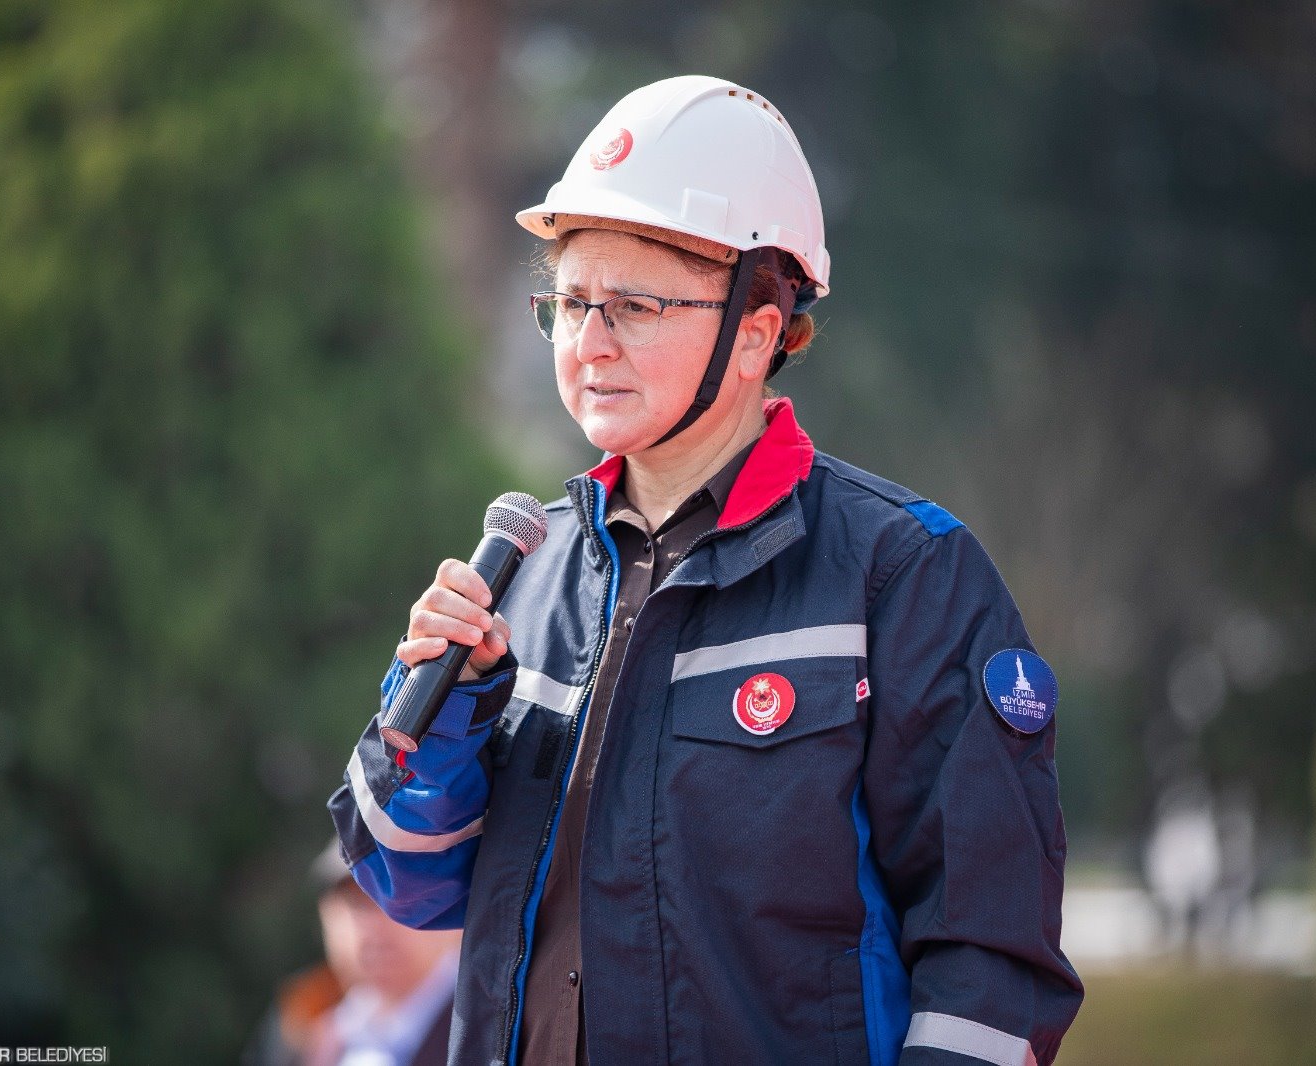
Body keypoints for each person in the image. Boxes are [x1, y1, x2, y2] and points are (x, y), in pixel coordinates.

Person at [330, 75, 1083, 1065]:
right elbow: (406, 883)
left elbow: (990, 968)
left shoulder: (903, 577)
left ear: (756, 333)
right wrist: (451, 709)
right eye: (569, 300)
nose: (588, 342)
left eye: (633, 305)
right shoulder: (532, 566)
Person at [245, 842, 460, 1066]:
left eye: (399, 896)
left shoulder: (489, 1020)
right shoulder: (300, 1026)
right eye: (356, 901)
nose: (374, 924)